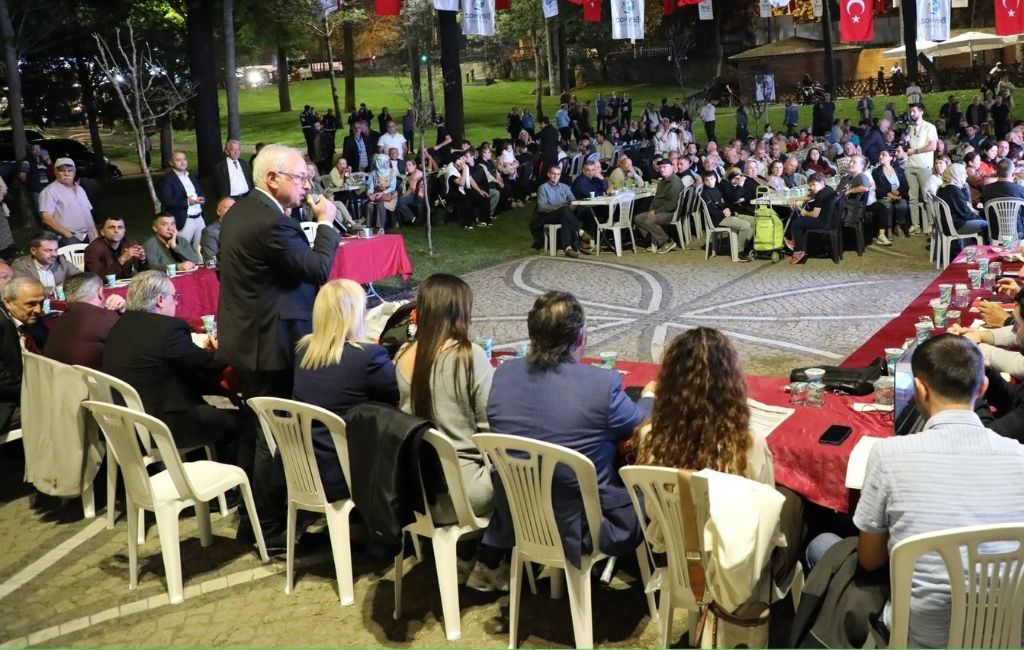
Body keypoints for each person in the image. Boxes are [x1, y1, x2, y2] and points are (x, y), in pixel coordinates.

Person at [804, 334, 1024, 648]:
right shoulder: (1019, 458)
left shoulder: (888, 456)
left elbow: (869, 560)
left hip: (918, 638)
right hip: (1005, 636)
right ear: (984, 389)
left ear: (919, 390)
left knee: (822, 544)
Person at [477, 291, 656, 588]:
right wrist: (649, 397)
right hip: (587, 525)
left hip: (520, 518)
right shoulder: (601, 386)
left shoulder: (504, 375)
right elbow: (640, 427)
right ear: (582, 336)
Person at [217, 143, 340, 544]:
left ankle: (254, 520)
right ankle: (271, 530)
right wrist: (325, 223)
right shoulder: (273, 223)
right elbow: (318, 268)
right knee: (275, 438)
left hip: (250, 337)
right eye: (300, 177)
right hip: (270, 346)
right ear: (272, 178)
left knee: (257, 432)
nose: (307, 185)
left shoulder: (241, 212)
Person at [103, 270, 241, 451]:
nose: (176, 303)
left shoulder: (122, 324)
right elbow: (209, 365)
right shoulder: (167, 329)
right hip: (160, 425)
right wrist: (224, 348)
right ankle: (238, 476)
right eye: (174, 297)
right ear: (160, 300)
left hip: (127, 422)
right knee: (244, 420)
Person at [394, 274, 493, 521]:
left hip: (417, 489)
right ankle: (494, 554)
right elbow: (490, 430)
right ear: (458, 311)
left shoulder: (403, 355)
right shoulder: (468, 356)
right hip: (465, 489)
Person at [292, 279, 399, 503]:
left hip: (302, 465)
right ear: (353, 315)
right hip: (344, 471)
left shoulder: (304, 350)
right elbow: (400, 389)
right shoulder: (366, 356)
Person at [43, 273, 124, 368]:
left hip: (57, 379)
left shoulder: (57, 322)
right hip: (93, 381)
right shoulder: (105, 319)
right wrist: (124, 311)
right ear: (100, 293)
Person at [0, 277, 46, 430]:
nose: (39, 310)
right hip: (7, 403)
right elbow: (2, 381)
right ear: (8, 302)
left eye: (41, 302)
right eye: (31, 304)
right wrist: (40, 389)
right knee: (63, 406)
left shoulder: (28, 317)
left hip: (25, 386)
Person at [535, 165, 592, 258]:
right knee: (564, 210)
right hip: (549, 215)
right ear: (549, 174)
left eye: (558, 174)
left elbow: (573, 202)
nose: (555, 176)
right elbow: (542, 207)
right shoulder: (543, 188)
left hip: (564, 214)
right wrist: (561, 207)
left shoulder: (565, 187)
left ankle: (568, 248)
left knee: (566, 216)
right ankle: (580, 231)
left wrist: (568, 208)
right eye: (553, 174)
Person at [38, 158, 97, 246]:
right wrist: (68, 235)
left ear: (74, 172)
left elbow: (88, 212)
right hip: (68, 238)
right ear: (55, 172)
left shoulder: (80, 189)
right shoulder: (50, 191)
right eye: (62, 171)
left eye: (70, 170)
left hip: (89, 236)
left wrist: (95, 233)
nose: (66, 173)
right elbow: (46, 218)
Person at [635, 159, 685, 254]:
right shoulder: (662, 182)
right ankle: (654, 241)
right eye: (660, 167)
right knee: (638, 218)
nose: (662, 169)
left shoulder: (675, 182)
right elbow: (656, 199)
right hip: (660, 210)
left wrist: (655, 212)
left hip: (670, 212)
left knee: (650, 221)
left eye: (664, 167)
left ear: (672, 168)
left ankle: (667, 242)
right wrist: (651, 210)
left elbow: (672, 204)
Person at [787, 172, 838, 265]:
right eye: (810, 185)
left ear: (821, 182)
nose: (812, 187)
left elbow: (815, 215)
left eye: (814, 185)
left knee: (797, 223)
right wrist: (796, 199)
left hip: (824, 223)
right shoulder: (827, 189)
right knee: (800, 221)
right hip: (833, 220)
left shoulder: (820, 195)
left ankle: (799, 250)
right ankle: (796, 242)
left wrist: (805, 212)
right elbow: (811, 196)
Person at [160, 151, 207, 251]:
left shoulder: (191, 176)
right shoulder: (168, 179)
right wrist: (187, 202)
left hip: (199, 217)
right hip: (185, 219)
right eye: (178, 160)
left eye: (184, 159)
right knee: (182, 250)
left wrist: (201, 197)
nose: (182, 162)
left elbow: (199, 191)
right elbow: (166, 201)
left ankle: (200, 266)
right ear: (171, 163)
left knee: (200, 248)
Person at [905, 103, 938, 235]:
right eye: (911, 111)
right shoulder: (909, 127)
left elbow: (933, 146)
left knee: (926, 196)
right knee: (912, 197)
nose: (911, 114)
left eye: (913, 111)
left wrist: (915, 151)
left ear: (921, 112)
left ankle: (931, 224)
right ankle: (915, 225)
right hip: (909, 165)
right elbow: (907, 146)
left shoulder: (930, 127)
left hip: (924, 166)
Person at [11, 231, 82, 289]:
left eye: (56, 250)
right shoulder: (20, 265)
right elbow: (23, 290)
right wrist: (58, 288)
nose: (54, 254)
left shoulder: (60, 260)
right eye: (48, 250)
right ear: (33, 251)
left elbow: (81, 277)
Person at [936, 163, 989, 240]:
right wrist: (980, 218)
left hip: (948, 223)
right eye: (964, 173)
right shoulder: (954, 190)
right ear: (957, 174)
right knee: (989, 225)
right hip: (956, 225)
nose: (966, 176)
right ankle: (986, 250)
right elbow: (965, 213)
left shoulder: (943, 187)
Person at [869, 150, 908, 242]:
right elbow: (876, 187)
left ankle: (898, 226)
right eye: (880, 154)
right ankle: (888, 228)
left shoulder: (899, 170)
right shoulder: (876, 172)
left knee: (902, 205)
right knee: (887, 205)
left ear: (891, 158)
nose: (881, 156)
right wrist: (888, 194)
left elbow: (905, 186)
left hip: (898, 196)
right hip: (884, 196)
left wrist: (899, 192)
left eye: (884, 155)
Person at [979, 159, 1024, 240]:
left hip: (995, 233)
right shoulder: (1021, 190)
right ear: (1013, 174)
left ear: (996, 172)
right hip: (1018, 232)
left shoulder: (986, 189)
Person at [366, 153, 398, 234]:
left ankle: (380, 227)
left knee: (381, 205)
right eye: (386, 162)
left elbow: (392, 187)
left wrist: (382, 193)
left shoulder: (391, 172)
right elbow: (371, 187)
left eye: (388, 162)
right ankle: (369, 227)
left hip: (388, 195)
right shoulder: (374, 173)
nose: (388, 164)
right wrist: (370, 194)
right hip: (377, 194)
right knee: (369, 205)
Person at [199, 197, 235, 264]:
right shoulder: (209, 232)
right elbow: (211, 258)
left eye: (233, 208)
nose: (231, 210)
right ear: (218, 211)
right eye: (226, 207)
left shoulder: (242, 227)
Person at [396, 159, 425, 225]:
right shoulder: (411, 174)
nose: (408, 167)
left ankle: (411, 218)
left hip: (419, 196)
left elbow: (412, 189)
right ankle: (410, 218)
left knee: (400, 201)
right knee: (399, 200)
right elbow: (410, 189)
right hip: (414, 194)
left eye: (410, 165)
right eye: (406, 165)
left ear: (415, 166)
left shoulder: (417, 175)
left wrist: (404, 196)